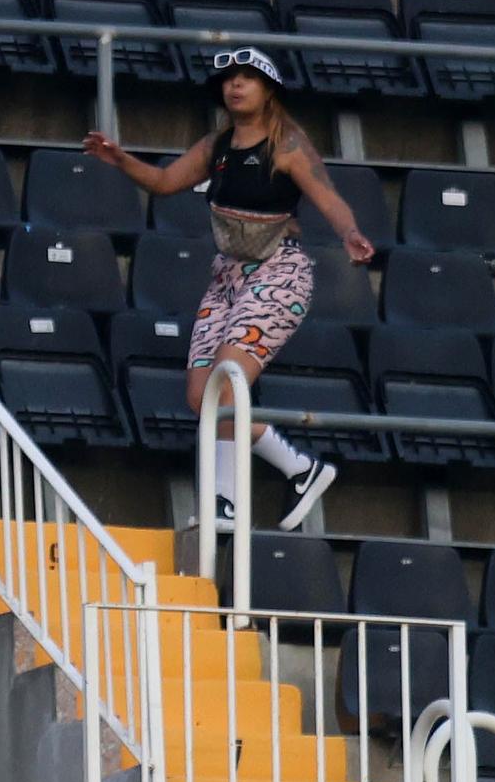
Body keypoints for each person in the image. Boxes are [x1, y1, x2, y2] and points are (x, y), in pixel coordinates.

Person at [81, 46, 375, 532]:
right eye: (228, 79)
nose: (234, 86)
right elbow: (161, 181)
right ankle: (298, 468)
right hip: (228, 277)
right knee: (202, 396)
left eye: (246, 78)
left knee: (227, 381)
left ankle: (228, 501)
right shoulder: (215, 145)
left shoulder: (287, 145)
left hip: (278, 272)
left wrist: (349, 233)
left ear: (268, 90)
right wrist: (119, 159)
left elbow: (328, 197)